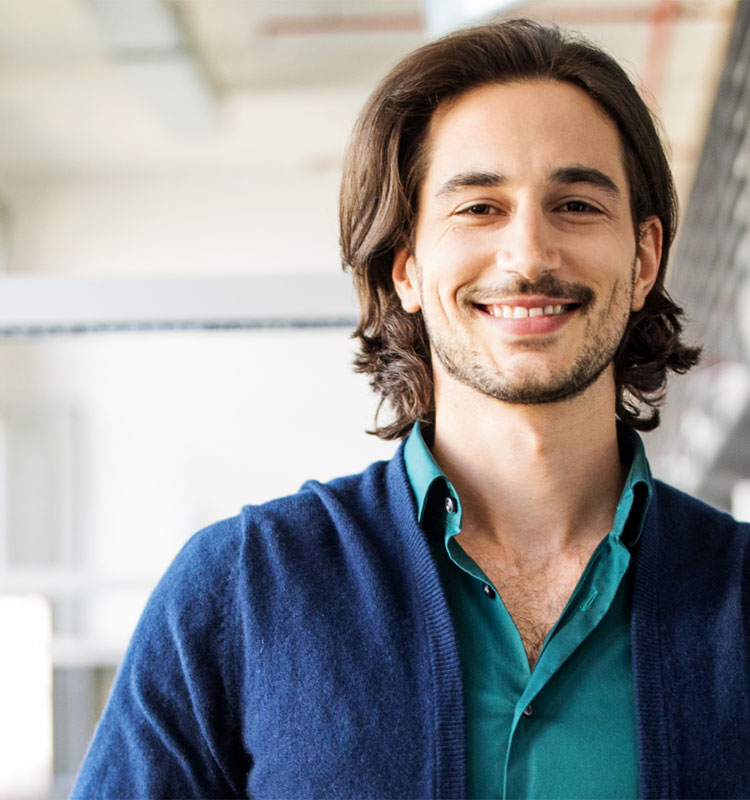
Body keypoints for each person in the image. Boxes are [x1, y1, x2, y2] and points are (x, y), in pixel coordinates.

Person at [72, 18, 749, 800]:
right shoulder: (241, 592)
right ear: (406, 268)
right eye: (478, 208)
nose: (528, 255)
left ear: (643, 260)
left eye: (576, 205)